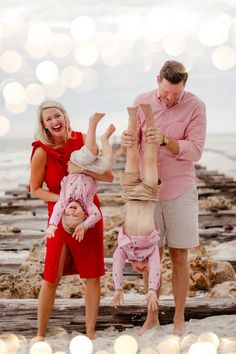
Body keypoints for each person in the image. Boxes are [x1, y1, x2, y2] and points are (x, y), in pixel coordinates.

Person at [122, 60, 207, 336]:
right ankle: (152, 316)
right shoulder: (141, 101)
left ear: (184, 86)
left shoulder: (196, 106)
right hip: (148, 193)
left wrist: (166, 140)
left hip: (180, 189)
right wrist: (126, 142)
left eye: (176, 94)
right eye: (166, 92)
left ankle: (180, 317)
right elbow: (132, 145)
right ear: (157, 79)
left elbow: (194, 152)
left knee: (180, 255)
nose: (170, 98)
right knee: (150, 254)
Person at [30, 101, 114, 341]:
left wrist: (82, 170)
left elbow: (108, 176)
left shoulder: (83, 141)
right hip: (59, 216)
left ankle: (90, 331)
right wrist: (63, 200)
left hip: (88, 214)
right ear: (44, 126)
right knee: (51, 277)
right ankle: (40, 335)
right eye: (49, 119)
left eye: (57, 115)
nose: (55, 121)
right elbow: (35, 189)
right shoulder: (41, 152)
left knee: (93, 275)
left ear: (65, 117)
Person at [111, 104, 161, 316]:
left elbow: (116, 265)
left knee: (131, 155)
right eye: (145, 269)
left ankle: (132, 115)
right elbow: (157, 268)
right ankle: (148, 116)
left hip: (131, 194)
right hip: (149, 194)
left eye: (138, 270)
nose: (142, 269)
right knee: (149, 156)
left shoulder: (124, 249)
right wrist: (151, 290)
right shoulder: (151, 250)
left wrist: (118, 288)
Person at [46, 113, 115, 241]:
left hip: (76, 162)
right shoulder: (89, 205)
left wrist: (52, 224)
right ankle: (105, 139)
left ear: (64, 211)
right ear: (84, 215)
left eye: (67, 215)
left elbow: (57, 210)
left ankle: (92, 123)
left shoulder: (63, 201)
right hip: (90, 168)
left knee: (90, 154)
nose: (71, 213)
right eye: (76, 217)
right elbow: (96, 215)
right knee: (109, 161)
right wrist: (84, 225)